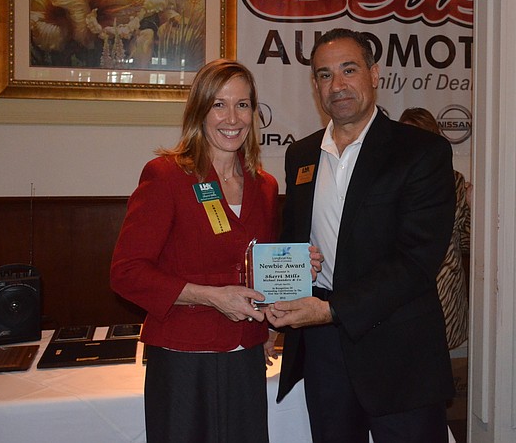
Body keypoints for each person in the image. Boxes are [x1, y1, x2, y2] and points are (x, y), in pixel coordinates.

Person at [266, 28, 456, 443]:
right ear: (315, 86)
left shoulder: (423, 152)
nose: (337, 85)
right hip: (323, 352)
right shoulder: (301, 155)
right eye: (324, 75)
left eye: (348, 70)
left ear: (374, 74)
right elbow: (294, 240)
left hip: (399, 351)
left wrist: (330, 310)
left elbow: (416, 264)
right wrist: (284, 287)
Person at [109, 59, 280, 443]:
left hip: (246, 355)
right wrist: (211, 298)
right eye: (219, 104)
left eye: (243, 104)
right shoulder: (167, 176)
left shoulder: (264, 185)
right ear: (199, 111)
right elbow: (126, 272)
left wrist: (273, 312)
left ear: (254, 112)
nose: (231, 117)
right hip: (183, 358)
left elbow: (258, 265)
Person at [398, 107, 470, 349]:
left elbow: (466, 241)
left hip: (444, 292)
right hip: (398, 291)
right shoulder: (387, 180)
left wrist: (474, 207)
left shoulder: (455, 181)